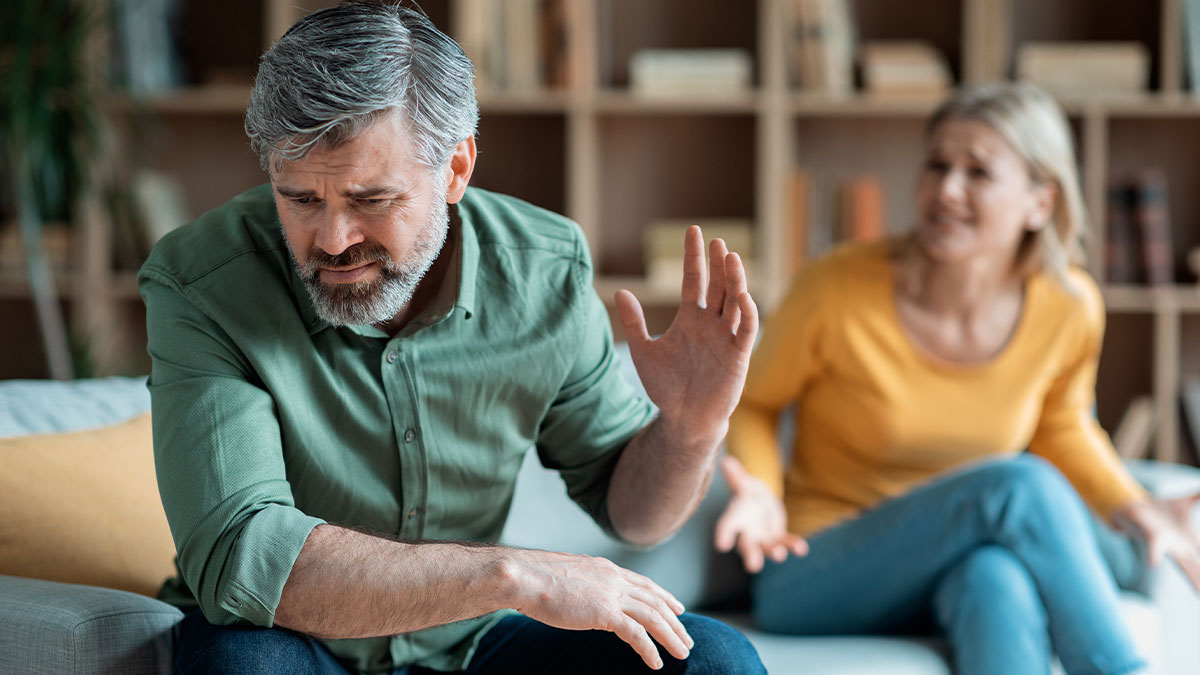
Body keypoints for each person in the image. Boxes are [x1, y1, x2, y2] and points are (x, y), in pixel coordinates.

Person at [140, 3, 766, 674]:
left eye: (371, 200)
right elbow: (243, 552)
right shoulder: (201, 282)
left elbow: (631, 509)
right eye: (299, 199)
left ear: (457, 167)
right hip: (287, 637)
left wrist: (690, 429)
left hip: (466, 642)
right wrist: (513, 575)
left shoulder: (543, 269)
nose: (332, 240)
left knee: (714, 659)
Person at [715, 81, 1200, 675]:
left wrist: (1133, 505)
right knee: (1016, 486)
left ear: (1040, 203)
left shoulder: (1069, 304)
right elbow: (754, 403)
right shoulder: (837, 286)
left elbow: (1062, 424)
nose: (947, 190)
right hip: (817, 571)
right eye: (938, 165)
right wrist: (761, 490)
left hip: (955, 566)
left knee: (994, 577)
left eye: (979, 172)